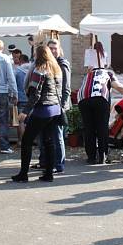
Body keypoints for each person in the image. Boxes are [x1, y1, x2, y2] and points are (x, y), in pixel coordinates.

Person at [10, 45, 66, 183]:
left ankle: (23, 174)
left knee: (27, 141)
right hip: (55, 109)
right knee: (49, 141)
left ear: (38, 55)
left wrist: (25, 112)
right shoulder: (56, 70)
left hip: (43, 110)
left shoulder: (39, 70)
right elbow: (59, 91)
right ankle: (49, 174)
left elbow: (35, 94)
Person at [77, 62, 123, 165]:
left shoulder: (88, 74)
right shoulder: (108, 73)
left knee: (89, 128)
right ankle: (102, 156)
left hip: (83, 99)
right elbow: (118, 86)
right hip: (100, 98)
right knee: (102, 128)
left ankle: (91, 157)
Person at [47, 39, 71, 172]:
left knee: (58, 136)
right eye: (50, 48)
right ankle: (47, 162)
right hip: (49, 105)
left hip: (59, 106)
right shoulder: (48, 64)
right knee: (50, 135)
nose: (53, 51)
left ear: (59, 49)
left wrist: (62, 106)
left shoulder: (63, 64)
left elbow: (66, 88)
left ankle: (60, 164)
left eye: (55, 48)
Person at [0, 39, 19, 154]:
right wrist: (15, 93)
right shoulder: (5, 59)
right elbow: (11, 77)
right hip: (3, 91)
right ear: (2, 48)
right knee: (4, 120)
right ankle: (4, 146)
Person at [14, 54, 30, 143]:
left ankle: (22, 141)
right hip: (31, 99)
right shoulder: (33, 69)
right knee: (31, 121)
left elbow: (14, 85)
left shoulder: (17, 71)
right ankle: (30, 141)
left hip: (21, 98)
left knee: (21, 122)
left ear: (21, 61)